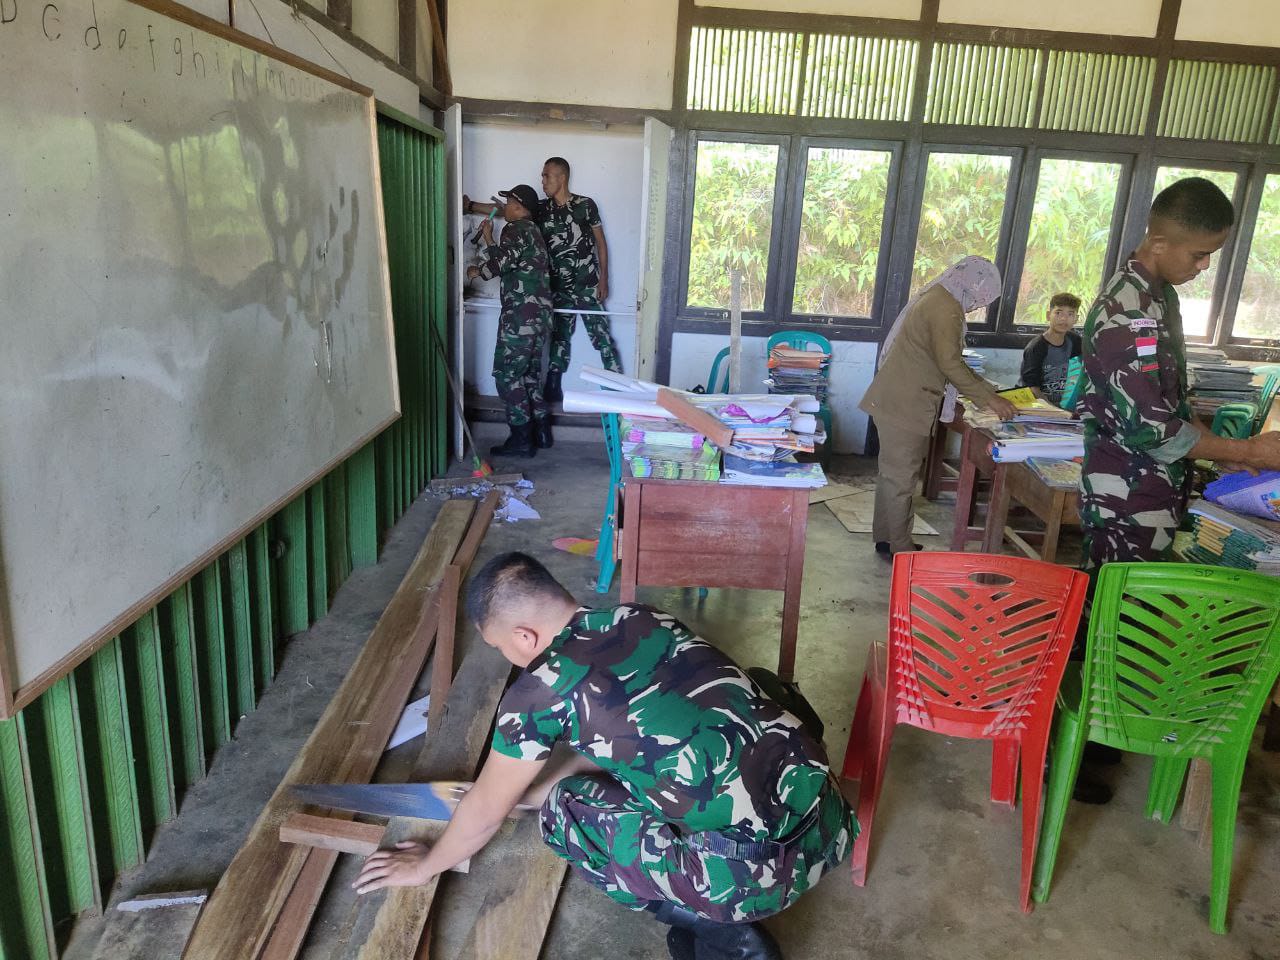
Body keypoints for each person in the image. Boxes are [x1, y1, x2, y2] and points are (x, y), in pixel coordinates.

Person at [353, 552, 855, 960]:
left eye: (501, 647)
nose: (509, 659)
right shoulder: (641, 617)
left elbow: (484, 810)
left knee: (562, 812)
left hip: (756, 884)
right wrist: (526, 789)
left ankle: (718, 928)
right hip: (829, 826)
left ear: (524, 636)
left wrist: (426, 865)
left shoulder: (539, 694)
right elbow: (621, 739)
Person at [1078, 176, 1280, 576]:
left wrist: (1221, 453)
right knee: (1113, 618)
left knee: (1133, 617)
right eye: (1199, 254)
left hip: (1155, 489)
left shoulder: (1159, 297)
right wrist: (1249, 450)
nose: (1204, 266)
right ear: (1158, 243)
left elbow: (1173, 399)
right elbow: (1152, 428)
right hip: (1125, 499)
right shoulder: (1126, 312)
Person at [860, 256, 1018, 559]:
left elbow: (950, 362)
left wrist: (988, 390)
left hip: (901, 400)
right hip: (905, 403)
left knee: (893, 476)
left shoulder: (940, 297)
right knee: (901, 479)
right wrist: (989, 399)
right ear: (973, 285)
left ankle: (888, 540)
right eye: (980, 299)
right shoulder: (945, 308)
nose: (978, 306)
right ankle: (901, 550)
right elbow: (951, 364)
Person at [466, 184, 553, 458]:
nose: (505, 208)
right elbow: (511, 260)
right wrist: (491, 240)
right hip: (539, 318)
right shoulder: (534, 232)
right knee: (528, 376)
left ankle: (521, 439)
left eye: (509, 203)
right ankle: (541, 433)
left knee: (507, 376)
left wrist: (474, 271)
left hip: (520, 318)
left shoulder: (515, 229)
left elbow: (496, 268)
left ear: (519, 207)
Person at [538, 156, 621, 401]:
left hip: (587, 285)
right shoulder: (542, 209)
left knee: (602, 335)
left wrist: (604, 279)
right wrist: (471, 207)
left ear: (561, 177)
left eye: (546, 176)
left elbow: (601, 243)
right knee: (559, 336)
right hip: (558, 287)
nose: (542, 181)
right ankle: (553, 385)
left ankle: (617, 385)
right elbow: (509, 209)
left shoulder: (585, 205)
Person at [1018, 292, 1083, 405]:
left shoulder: (1075, 341)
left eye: (1070, 314)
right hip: (1036, 405)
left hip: (1063, 407)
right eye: (1058, 313)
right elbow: (1032, 388)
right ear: (1048, 315)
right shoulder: (1036, 347)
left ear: (1076, 319)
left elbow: (1078, 376)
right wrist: (1053, 410)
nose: (1063, 318)